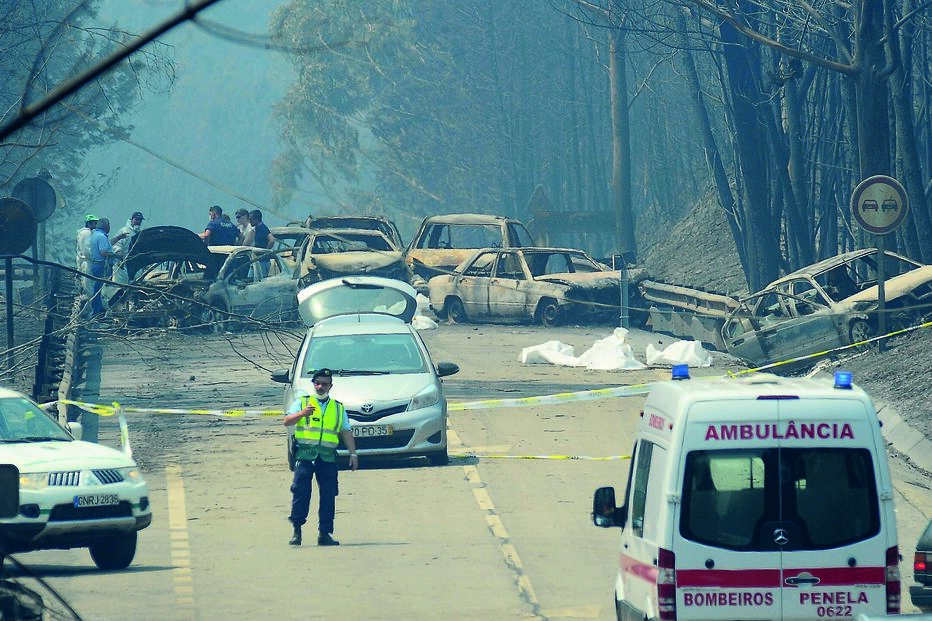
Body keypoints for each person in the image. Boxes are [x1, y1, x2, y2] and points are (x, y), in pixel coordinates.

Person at [282, 368, 358, 546]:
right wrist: (302, 414)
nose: (320, 386)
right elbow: (286, 421)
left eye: (324, 384)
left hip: (327, 458)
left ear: (330, 386)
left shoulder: (338, 408)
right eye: (317, 383)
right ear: (313, 384)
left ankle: (325, 534)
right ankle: (297, 532)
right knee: (301, 493)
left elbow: (346, 431)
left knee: (328, 495)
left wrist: (353, 454)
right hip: (306, 456)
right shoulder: (302, 402)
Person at [89, 218, 124, 317]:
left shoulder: (96, 235)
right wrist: (117, 256)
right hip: (102, 266)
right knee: (101, 290)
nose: (109, 226)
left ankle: (97, 310)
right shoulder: (101, 236)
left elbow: (107, 244)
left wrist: (118, 238)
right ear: (104, 225)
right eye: (109, 224)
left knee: (98, 288)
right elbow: (104, 252)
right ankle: (97, 312)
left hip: (96, 264)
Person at [76, 214, 98, 293]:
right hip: (87, 263)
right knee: (88, 288)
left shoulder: (86, 233)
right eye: (94, 223)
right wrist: (96, 257)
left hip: (86, 262)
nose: (96, 226)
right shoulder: (86, 233)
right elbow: (87, 250)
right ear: (89, 224)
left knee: (88, 286)